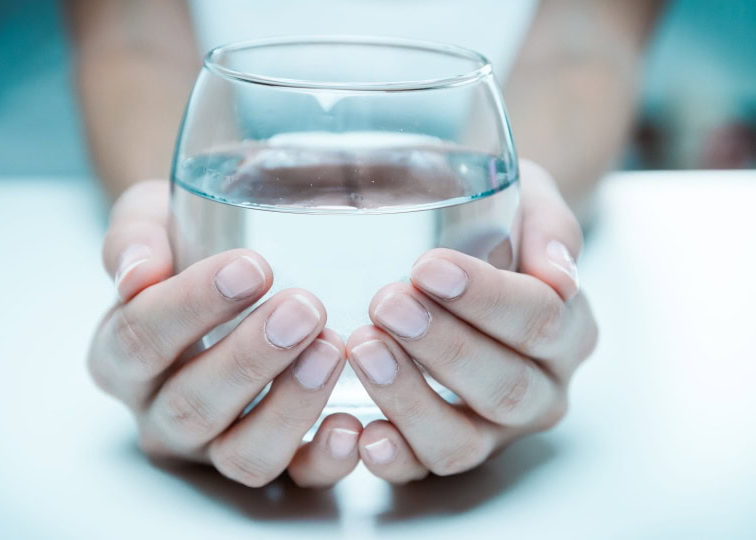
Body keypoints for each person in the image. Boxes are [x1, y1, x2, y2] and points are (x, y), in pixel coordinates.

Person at [72, 0, 660, 488]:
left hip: (480, 131)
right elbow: (134, 36)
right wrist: (169, 232)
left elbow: (580, 43)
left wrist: (522, 230)